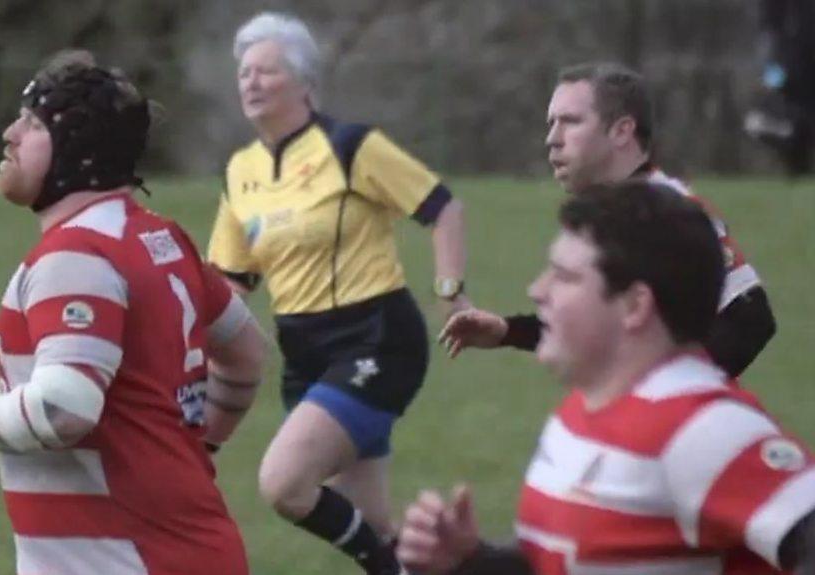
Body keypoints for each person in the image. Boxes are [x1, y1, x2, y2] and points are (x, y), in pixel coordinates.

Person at [0, 52, 267, 575]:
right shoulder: (159, 238)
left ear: (74, 149)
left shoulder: (76, 256)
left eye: (31, 124)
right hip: (190, 549)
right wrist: (194, 448)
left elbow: (63, 409)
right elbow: (246, 356)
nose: (9, 134)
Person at [397, 181, 815, 575]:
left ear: (634, 306)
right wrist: (471, 561)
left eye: (565, 277)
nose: (537, 290)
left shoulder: (703, 429)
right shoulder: (579, 413)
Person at [206, 11, 472, 575]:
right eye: (244, 72)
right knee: (372, 522)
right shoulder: (240, 172)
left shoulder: (352, 147)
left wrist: (452, 294)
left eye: (267, 71)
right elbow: (228, 283)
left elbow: (443, 207)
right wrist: (181, 346)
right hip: (305, 354)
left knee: (284, 484)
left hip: (375, 339)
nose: (251, 82)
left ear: (304, 82)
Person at [441, 62, 775, 379]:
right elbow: (603, 330)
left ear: (621, 131)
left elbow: (750, 318)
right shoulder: (607, 218)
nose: (552, 139)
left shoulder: (671, 212)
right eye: (551, 123)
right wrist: (508, 331)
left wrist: (666, 398)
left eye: (570, 121)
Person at [743, 0, 815, 176]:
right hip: (791, 63)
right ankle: (796, 159)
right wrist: (772, 81)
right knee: (780, 119)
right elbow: (772, 28)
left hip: (795, 60)